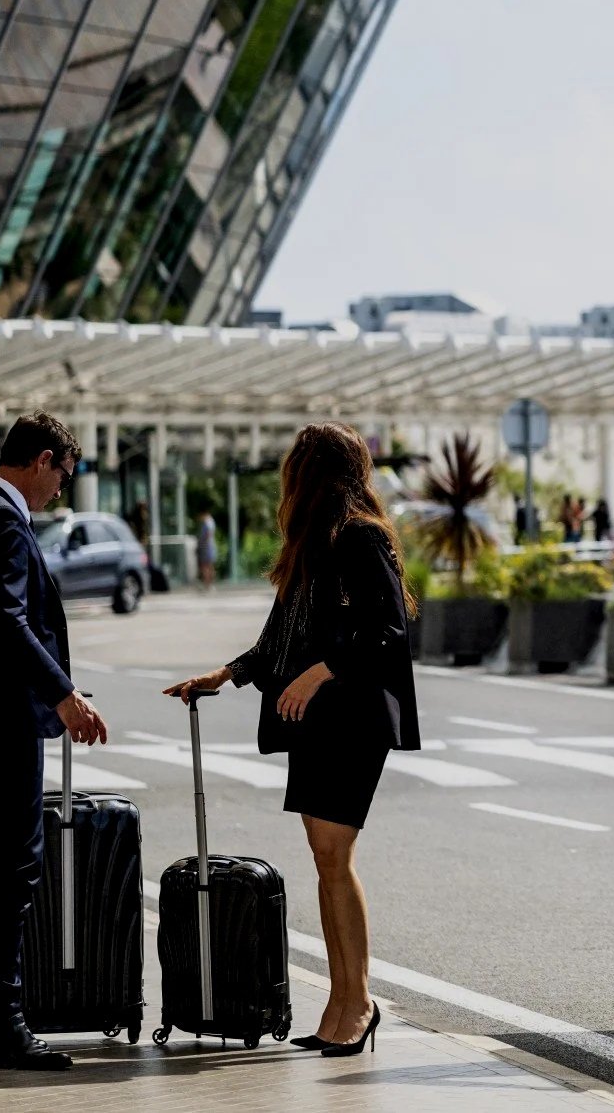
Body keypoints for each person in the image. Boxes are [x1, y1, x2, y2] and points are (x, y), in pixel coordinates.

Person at [163, 422, 421, 1056]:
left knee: (335, 856)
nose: (289, 477)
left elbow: (388, 629)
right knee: (325, 857)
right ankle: (341, 1000)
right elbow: (280, 632)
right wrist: (227, 673)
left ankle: (357, 1002)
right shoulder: (313, 542)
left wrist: (321, 670)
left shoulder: (361, 537)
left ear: (314, 473)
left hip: (353, 717)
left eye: (297, 465)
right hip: (317, 720)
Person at [0, 411, 108, 1071]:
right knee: (14, 867)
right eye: (64, 474)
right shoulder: (3, 521)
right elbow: (8, 620)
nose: (61, 490)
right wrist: (65, 694)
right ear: (41, 459)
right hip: (5, 716)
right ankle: (4, 1026)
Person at [195, 510, 218, 591]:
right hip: (209, 547)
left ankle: (207, 584)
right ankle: (210, 584)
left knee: (205, 566)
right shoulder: (211, 521)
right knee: (210, 566)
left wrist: (201, 544)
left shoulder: (207, 522)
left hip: (206, 547)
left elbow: (207, 534)